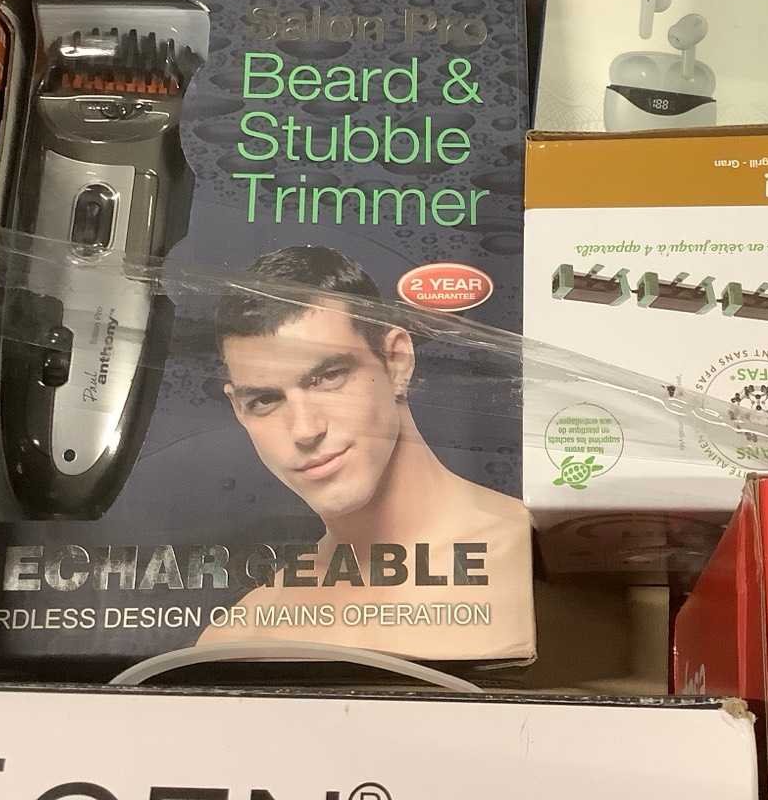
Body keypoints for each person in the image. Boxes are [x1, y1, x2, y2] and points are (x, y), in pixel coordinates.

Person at [201, 245, 533, 658]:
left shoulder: (537, 560)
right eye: (265, 400)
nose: (305, 430)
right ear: (238, 409)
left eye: (329, 377)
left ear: (396, 361)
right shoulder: (242, 635)